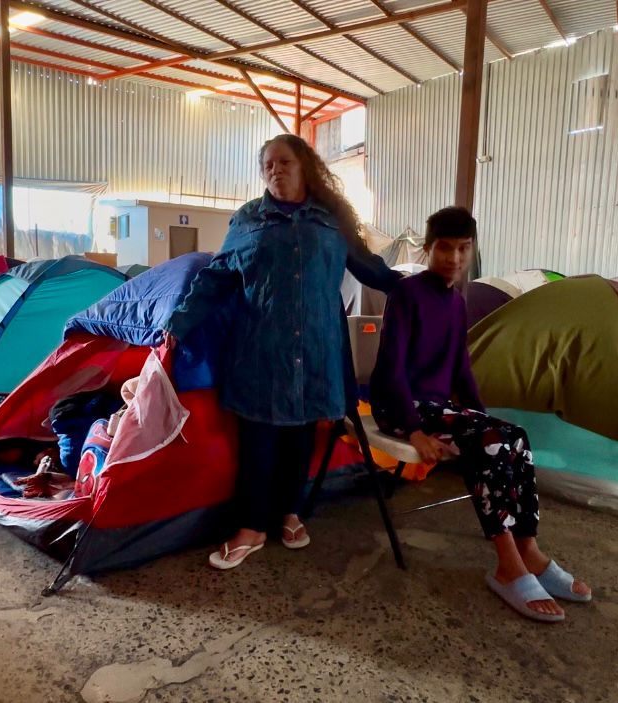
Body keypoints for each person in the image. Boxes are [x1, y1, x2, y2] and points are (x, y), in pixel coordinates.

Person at [164, 134, 401, 570]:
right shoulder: (248, 221)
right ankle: (252, 527)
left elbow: (369, 267)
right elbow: (216, 278)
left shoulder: (331, 222)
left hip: (316, 350)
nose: (276, 170)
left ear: (304, 165)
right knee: (258, 440)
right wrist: (178, 324)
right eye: (268, 164)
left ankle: (290, 512)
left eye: (285, 162)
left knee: (300, 437)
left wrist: (414, 288)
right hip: (261, 351)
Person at [370, 206, 590, 623]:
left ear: (472, 250)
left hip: (438, 408)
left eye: (463, 248)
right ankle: (508, 563)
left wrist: (487, 419)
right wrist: (414, 432)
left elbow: (460, 369)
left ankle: (529, 549)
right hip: (399, 406)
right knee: (489, 443)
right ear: (428, 248)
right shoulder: (406, 293)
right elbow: (391, 369)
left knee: (516, 436)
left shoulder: (456, 301)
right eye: (444, 248)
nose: (453, 258)